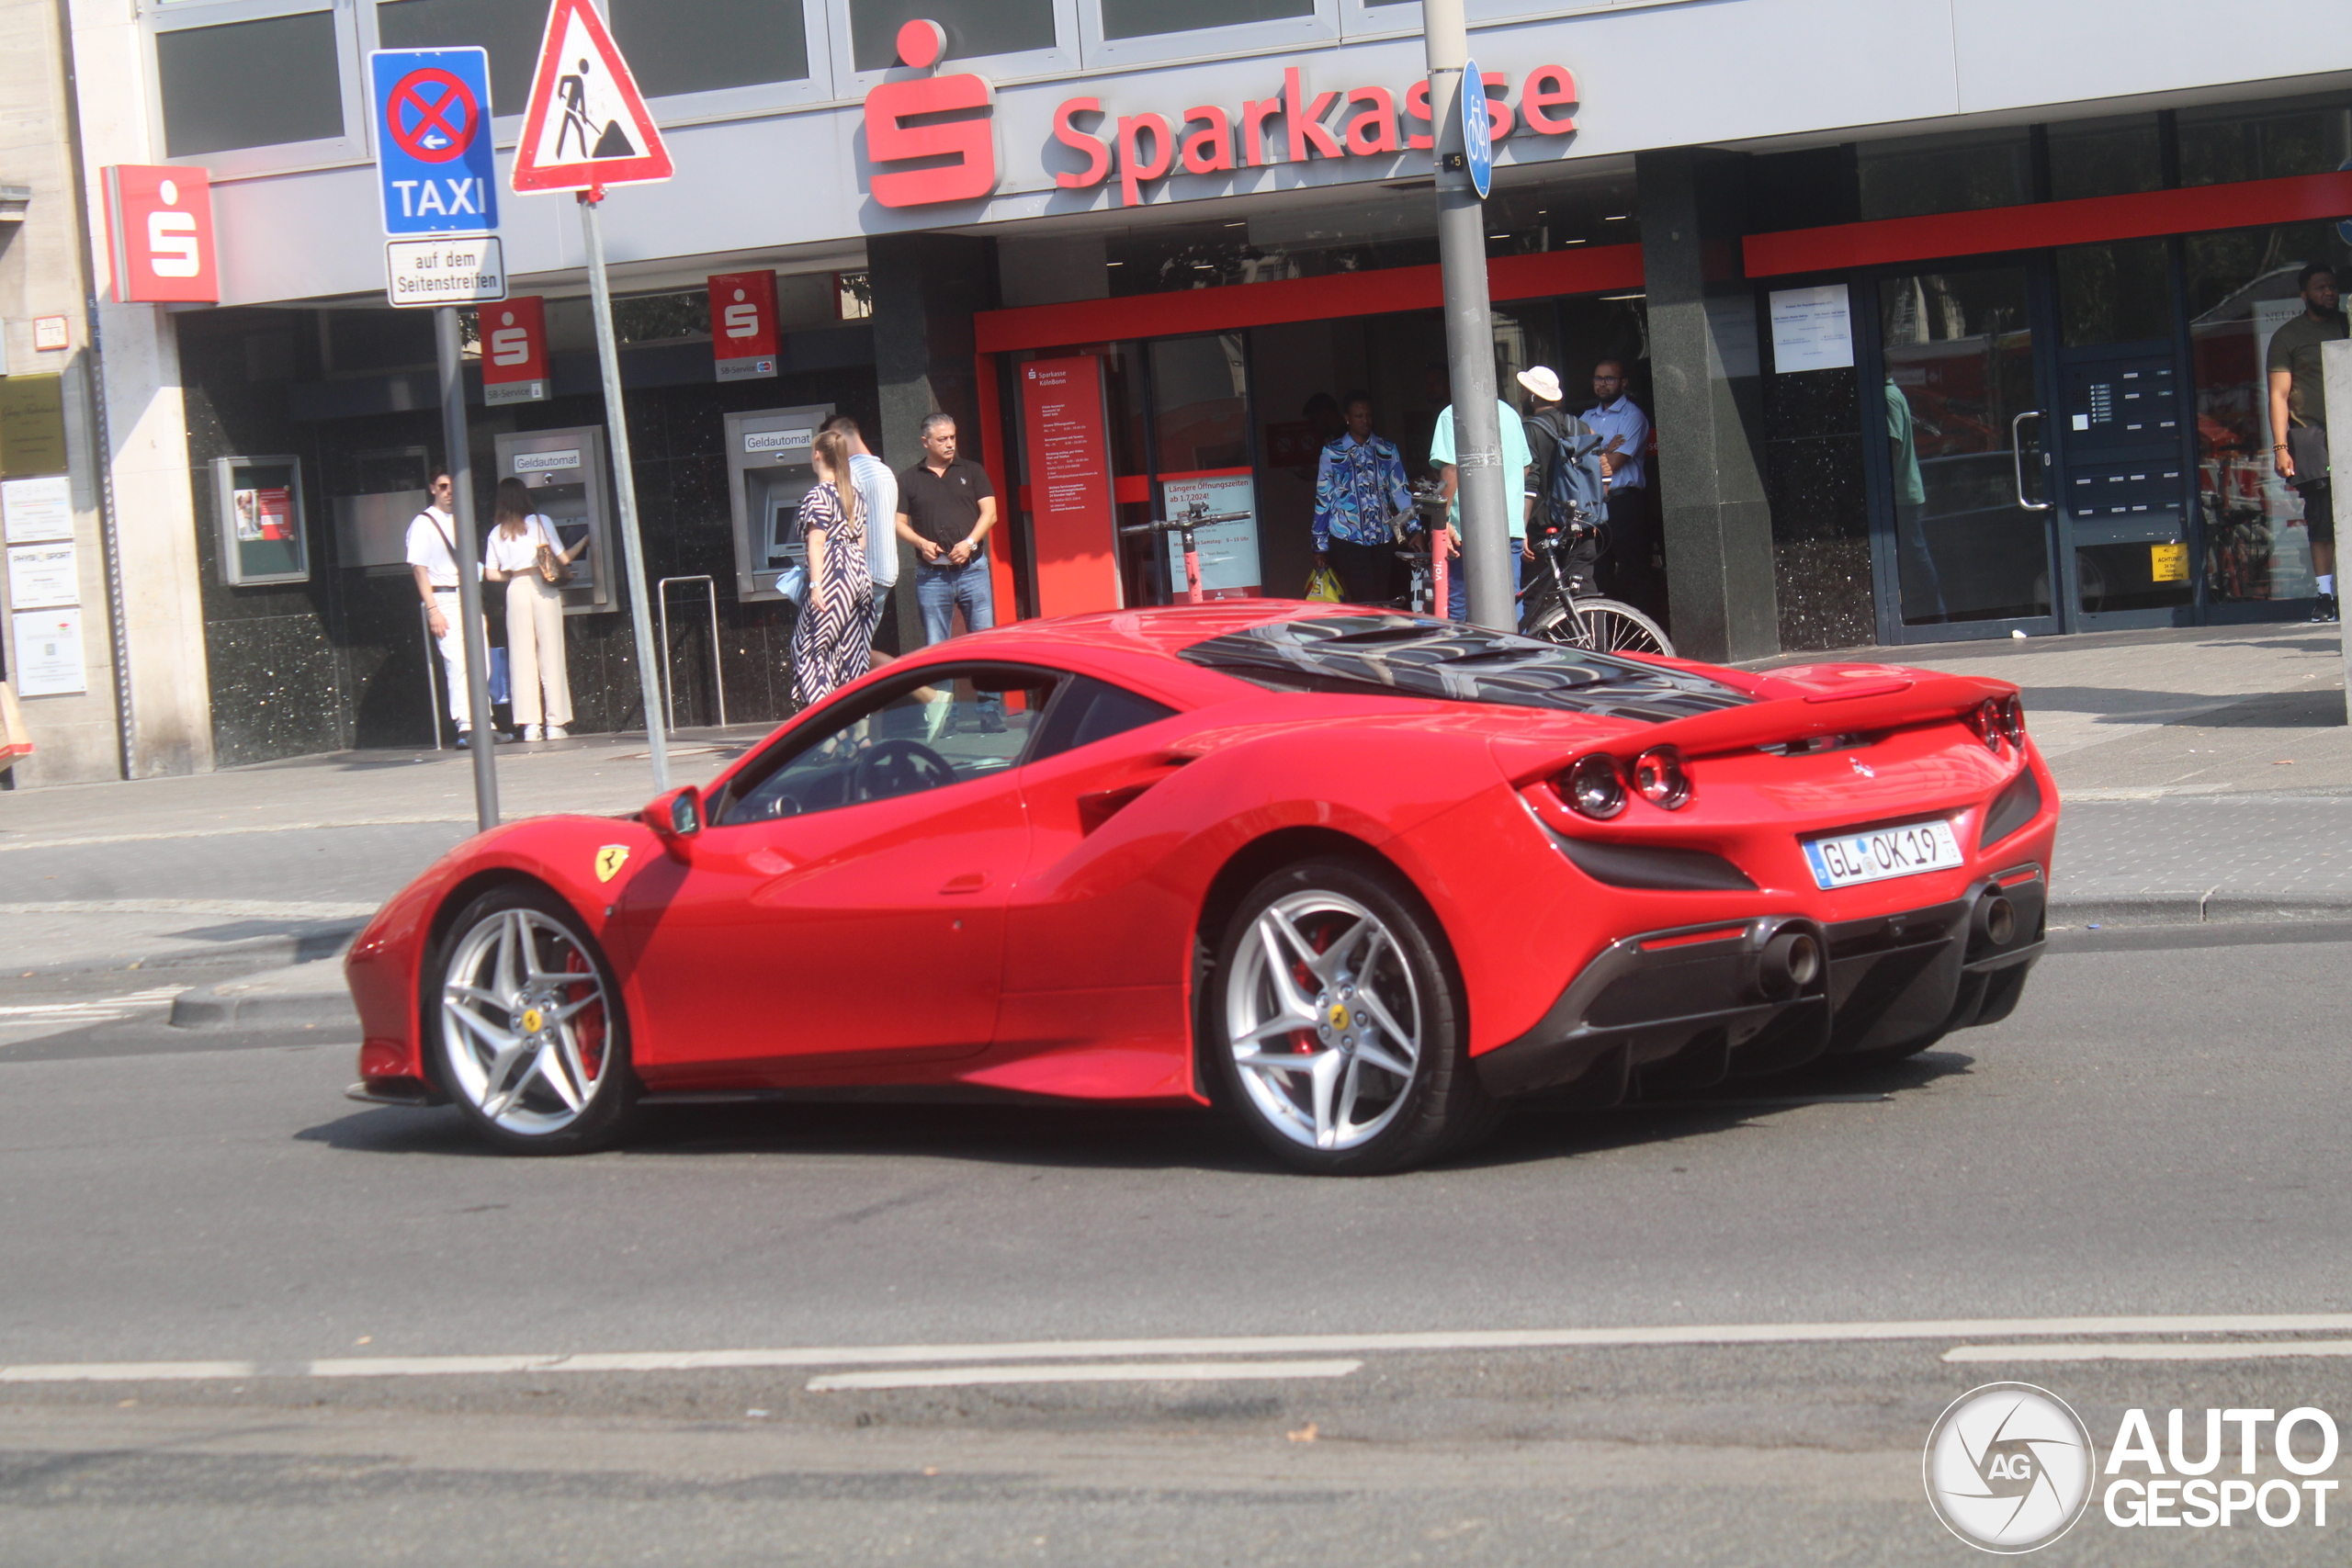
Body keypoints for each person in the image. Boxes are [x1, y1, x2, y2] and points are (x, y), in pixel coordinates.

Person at [896, 412, 1002, 730]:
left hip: (973, 570)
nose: (949, 444)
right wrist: (920, 542)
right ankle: (946, 716)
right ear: (925, 442)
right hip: (932, 576)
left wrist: (970, 542)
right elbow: (898, 523)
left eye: (953, 437)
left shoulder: (972, 471)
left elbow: (991, 513)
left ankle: (989, 711)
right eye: (942, 439)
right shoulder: (909, 478)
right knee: (936, 648)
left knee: (983, 642)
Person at [2267, 262, 2345, 622]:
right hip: (2311, 436)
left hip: (2348, 429)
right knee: (2322, 518)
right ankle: (2326, 596)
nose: (2328, 292)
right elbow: (2279, 395)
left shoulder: (2347, 325)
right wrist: (2281, 448)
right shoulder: (2287, 336)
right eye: (2320, 288)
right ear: (2304, 295)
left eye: (2332, 286)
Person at [481, 477, 584, 741]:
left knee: (521, 657)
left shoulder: (497, 533)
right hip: (543, 587)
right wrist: (585, 540)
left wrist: (514, 577)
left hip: (516, 589)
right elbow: (563, 559)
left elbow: (491, 574)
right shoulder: (541, 522)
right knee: (551, 653)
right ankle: (555, 724)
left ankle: (530, 726)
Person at [404, 469, 501, 748]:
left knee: (480, 660)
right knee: (457, 663)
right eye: (443, 486)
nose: (449, 492)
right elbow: (419, 570)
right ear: (432, 488)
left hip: (467, 596)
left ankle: (484, 722)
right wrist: (433, 609)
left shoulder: (460, 521)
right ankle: (466, 726)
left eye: (453, 486)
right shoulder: (423, 524)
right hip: (444, 598)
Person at [1428, 390, 1533, 621]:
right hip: (1510, 527)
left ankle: (1464, 655)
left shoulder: (1452, 414)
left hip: (1468, 530)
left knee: (1460, 609)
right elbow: (1524, 468)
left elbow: (1451, 471)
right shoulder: (1510, 413)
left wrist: (1442, 522)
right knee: (1511, 606)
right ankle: (1515, 655)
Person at [790, 429, 875, 710]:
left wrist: (816, 585)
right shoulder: (853, 493)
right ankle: (858, 731)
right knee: (852, 653)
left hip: (833, 576)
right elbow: (861, 542)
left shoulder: (818, 495)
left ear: (817, 455)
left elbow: (816, 542)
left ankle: (829, 732)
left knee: (810, 649)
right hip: (858, 574)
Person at [1311, 391, 1414, 604]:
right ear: (1347, 417)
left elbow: (1400, 492)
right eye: (1359, 416)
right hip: (1347, 537)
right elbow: (1324, 499)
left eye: (1368, 415)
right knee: (1364, 596)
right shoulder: (1331, 453)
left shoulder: (1386, 449)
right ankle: (1368, 636)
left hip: (1383, 536)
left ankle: (1375, 635)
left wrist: (1414, 529)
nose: (1365, 421)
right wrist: (1319, 546)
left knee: (1381, 594)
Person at [1515, 367, 1600, 604]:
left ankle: (1544, 642)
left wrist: (1520, 529)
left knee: (1537, 596)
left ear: (1533, 397)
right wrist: (1593, 515)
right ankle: (1595, 642)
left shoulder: (1528, 431)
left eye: (1523, 391)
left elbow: (1530, 483)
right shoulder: (1582, 427)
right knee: (1585, 595)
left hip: (1542, 528)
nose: (1521, 395)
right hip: (1580, 524)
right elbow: (1602, 473)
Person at [1580, 361, 1657, 615]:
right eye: (1598, 378)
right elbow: (1570, 465)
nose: (1602, 384)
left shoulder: (1632, 416)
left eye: (1609, 379)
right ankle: (1611, 639)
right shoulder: (1585, 418)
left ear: (1624, 383)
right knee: (1600, 574)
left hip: (1625, 503)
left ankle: (1646, 636)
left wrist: (1593, 453)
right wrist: (1604, 448)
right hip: (1594, 505)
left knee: (1634, 571)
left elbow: (1611, 465)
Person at [820, 413, 899, 652]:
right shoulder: (885, 471)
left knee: (845, 652)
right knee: (858, 648)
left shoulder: (850, 474)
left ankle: (923, 690)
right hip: (884, 573)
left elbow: (843, 529)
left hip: (858, 576)